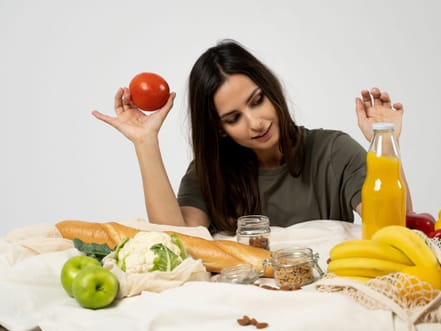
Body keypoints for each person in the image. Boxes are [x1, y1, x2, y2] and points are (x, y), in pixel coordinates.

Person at [92, 39, 413, 234]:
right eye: (234, 118)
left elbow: (394, 226)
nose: (256, 123)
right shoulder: (208, 172)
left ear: (271, 91)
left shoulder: (333, 151)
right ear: (220, 128)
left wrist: (385, 141)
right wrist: (146, 142)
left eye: (257, 100)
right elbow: (177, 237)